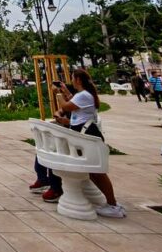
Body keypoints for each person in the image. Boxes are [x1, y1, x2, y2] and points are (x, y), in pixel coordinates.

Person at [43, 69, 126, 218]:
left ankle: (113, 205)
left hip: (88, 136)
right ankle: (111, 203)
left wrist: (58, 94)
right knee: (93, 172)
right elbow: (73, 103)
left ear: (78, 80)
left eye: (73, 78)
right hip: (84, 136)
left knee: (98, 173)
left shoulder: (84, 95)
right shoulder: (83, 95)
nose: (71, 80)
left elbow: (66, 106)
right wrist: (65, 91)